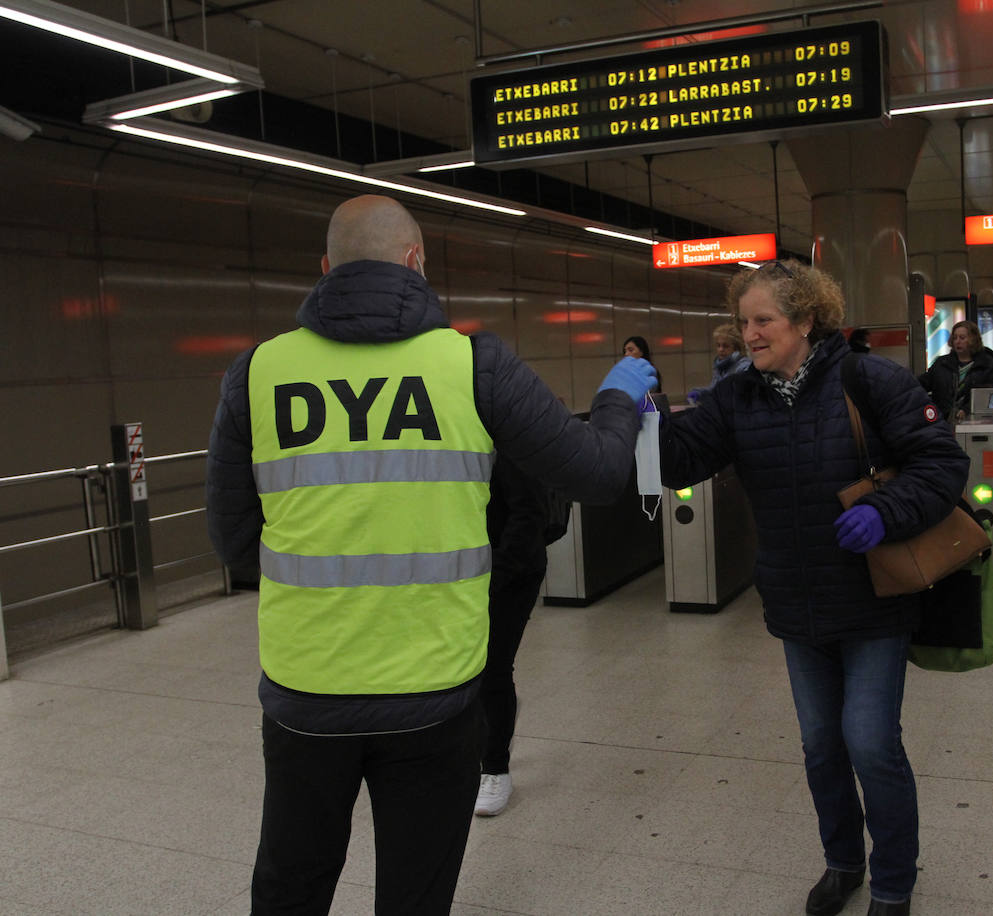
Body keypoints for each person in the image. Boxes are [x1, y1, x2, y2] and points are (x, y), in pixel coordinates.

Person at [204, 194, 656, 915]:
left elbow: (233, 541)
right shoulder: (471, 363)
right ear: (417, 262)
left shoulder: (257, 373)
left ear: (325, 270)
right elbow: (598, 474)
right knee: (415, 895)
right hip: (435, 691)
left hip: (306, 690)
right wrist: (618, 394)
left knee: (291, 886)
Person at [656, 259, 969, 916]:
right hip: (795, 602)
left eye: (763, 320)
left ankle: (892, 884)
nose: (750, 334)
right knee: (820, 744)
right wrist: (638, 418)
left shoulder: (870, 380)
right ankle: (842, 862)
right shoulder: (738, 397)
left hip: (874, 599)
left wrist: (884, 511)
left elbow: (941, 463)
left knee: (870, 742)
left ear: (804, 320)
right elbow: (680, 459)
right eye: (744, 322)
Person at [473, 455, 549, 818]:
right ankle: (496, 718)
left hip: (511, 572)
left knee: (493, 667)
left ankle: (495, 768)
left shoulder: (508, 442)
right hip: (463, 573)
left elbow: (529, 516)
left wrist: (494, 580)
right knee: (467, 669)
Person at [918, 319, 993, 422]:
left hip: (974, 421)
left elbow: (990, 395)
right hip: (943, 420)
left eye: (962, 338)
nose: (957, 341)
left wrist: (967, 409)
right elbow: (923, 383)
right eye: (955, 338)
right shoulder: (942, 363)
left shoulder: (987, 364)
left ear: (973, 340)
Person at [689, 323, 752, 403]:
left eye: (725, 346)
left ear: (736, 348)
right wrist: (699, 393)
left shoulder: (744, 367)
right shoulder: (720, 367)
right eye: (718, 345)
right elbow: (714, 390)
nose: (721, 349)